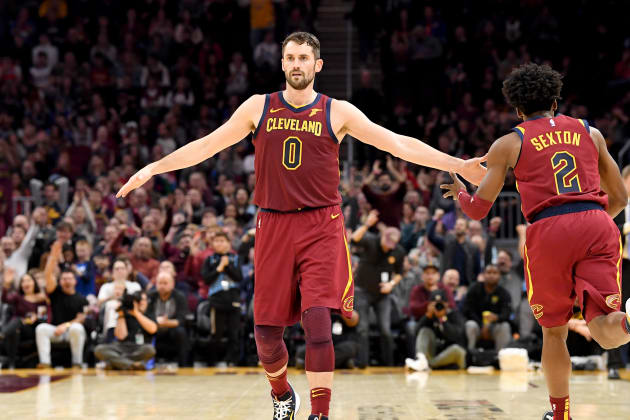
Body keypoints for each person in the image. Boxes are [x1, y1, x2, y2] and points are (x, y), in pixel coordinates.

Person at [116, 32, 486, 420]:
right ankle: (281, 394)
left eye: (304, 58)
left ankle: (320, 414)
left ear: (317, 65)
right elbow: (207, 145)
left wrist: (456, 164)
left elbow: (396, 143)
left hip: (320, 224)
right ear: (282, 63)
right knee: (266, 337)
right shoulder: (258, 108)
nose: (296, 64)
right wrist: (154, 168)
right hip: (272, 224)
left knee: (318, 321)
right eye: (290, 57)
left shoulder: (336, 111)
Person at [441, 63, 630, 420]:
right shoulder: (591, 133)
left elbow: (480, 210)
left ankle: (560, 416)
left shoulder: (510, 142)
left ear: (517, 109)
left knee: (554, 333)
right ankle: (628, 324)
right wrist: (596, 224)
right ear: (556, 102)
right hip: (597, 222)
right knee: (606, 326)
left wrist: (462, 195)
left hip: (549, 229)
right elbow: (619, 196)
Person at [351, 209, 405, 367]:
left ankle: (388, 365)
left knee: (386, 330)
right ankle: (363, 364)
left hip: (383, 295)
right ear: (382, 236)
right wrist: (367, 224)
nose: (388, 247)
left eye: (392, 245)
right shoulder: (371, 241)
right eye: (386, 243)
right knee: (363, 329)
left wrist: (391, 284)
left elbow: (399, 273)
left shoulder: (398, 252)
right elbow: (354, 239)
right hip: (362, 291)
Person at [35, 241, 88, 368]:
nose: (66, 281)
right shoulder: (56, 292)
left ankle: (77, 362)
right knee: (41, 328)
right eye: (64, 279)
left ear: (75, 281)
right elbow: (47, 274)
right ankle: (45, 363)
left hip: (71, 331)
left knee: (77, 328)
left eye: (69, 279)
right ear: (60, 281)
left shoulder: (81, 299)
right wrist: (53, 256)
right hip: (56, 331)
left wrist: (66, 325)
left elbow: (82, 318)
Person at [200, 231, 243, 366]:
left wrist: (227, 266)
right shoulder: (209, 260)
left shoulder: (235, 259)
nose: (220, 243)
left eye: (222, 241)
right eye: (217, 241)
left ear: (229, 244)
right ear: (212, 244)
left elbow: (238, 277)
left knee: (233, 333)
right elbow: (207, 279)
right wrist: (219, 268)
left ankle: (232, 361)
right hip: (216, 299)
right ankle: (212, 361)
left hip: (233, 298)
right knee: (216, 333)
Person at [405, 289, 466, 371]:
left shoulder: (454, 315)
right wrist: (427, 316)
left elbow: (455, 336)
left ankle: (428, 364)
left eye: (441, 304)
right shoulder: (429, 317)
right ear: (429, 305)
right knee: (425, 330)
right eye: (435, 304)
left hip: (449, 354)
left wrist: (443, 320)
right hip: (435, 353)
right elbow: (416, 333)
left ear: (447, 304)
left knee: (457, 350)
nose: (438, 307)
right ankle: (422, 361)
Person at [94, 290, 157, 370]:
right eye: (138, 300)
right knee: (99, 349)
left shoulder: (149, 313)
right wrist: (121, 314)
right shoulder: (124, 313)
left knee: (150, 350)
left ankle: (117, 363)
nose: (141, 302)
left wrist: (136, 313)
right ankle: (133, 365)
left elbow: (153, 329)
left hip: (140, 347)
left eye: (143, 300)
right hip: (121, 347)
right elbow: (121, 336)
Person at [462, 264, 512, 351]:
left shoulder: (504, 293)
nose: (491, 275)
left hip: (495, 327)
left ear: (499, 276)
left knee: (505, 326)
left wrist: (496, 318)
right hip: (477, 325)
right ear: (483, 275)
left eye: (495, 273)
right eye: (488, 272)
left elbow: (506, 313)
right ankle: (469, 356)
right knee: (470, 325)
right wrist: (482, 325)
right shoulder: (474, 288)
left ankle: (500, 358)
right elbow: (467, 310)